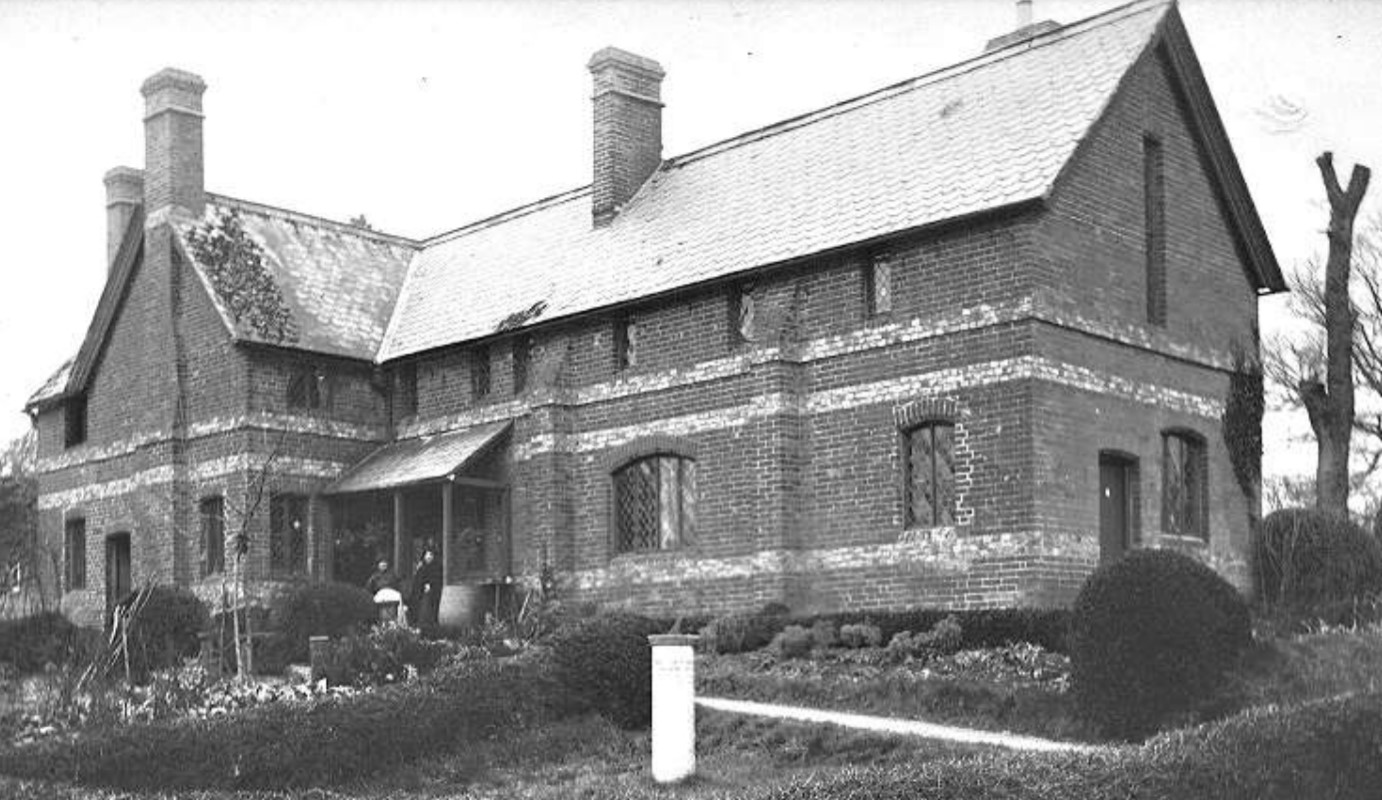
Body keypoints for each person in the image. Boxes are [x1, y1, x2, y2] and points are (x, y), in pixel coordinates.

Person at [412, 549, 442, 627]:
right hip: (421, 594)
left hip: (432, 595)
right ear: (424, 556)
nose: (429, 557)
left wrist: (431, 585)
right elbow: (417, 582)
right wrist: (422, 586)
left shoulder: (436, 568)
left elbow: (437, 580)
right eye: (427, 555)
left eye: (431, 555)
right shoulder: (421, 568)